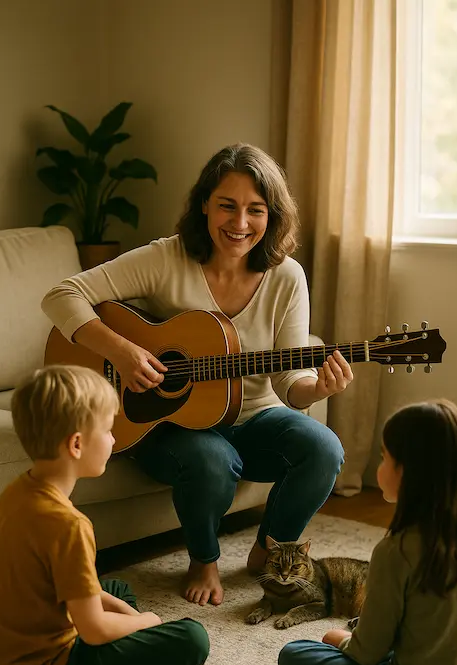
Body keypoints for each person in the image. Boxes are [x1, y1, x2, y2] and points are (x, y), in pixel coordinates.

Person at [42, 143, 353, 608]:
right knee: (212, 457)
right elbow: (62, 294)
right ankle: (203, 559)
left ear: (273, 216)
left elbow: (291, 382)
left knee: (324, 447)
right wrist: (124, 353)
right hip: (163, 422)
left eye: (256, 210)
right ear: (204, 203)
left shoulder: (287, 276)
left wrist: (316, 387)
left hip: (253, 419)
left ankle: (270, 549)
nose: (240, 223)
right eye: (227, 205)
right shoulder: (166, 258)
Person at [0, 365, 209, 665]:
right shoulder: (69, 525)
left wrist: (128, 618)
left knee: (116, 590)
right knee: (193, 639)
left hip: (2, 658)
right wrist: (148, 621)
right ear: (76, 444)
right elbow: (94, 631)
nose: (114, 439)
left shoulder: (16, 493)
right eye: (107, 430)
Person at [278, 400, 457, 665]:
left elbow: (367, 655)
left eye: (384, 457)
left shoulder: (396, 550)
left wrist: (342, 641)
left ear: (407, 471)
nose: (380, 466)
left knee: (295, 655)